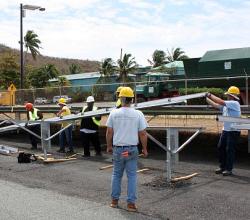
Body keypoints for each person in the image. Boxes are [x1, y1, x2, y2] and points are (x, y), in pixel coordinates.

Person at [106, 87, 148, 212]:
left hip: (118, 150)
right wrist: (144, 149)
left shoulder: (114, 113)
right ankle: (131, 204)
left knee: (116, 175)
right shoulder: (138, 114)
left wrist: (109, 146)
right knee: (132, 176)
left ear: (121, 99)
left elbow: (109, 131)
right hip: (131, 150)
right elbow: (143, 133)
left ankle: (114, 201)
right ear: (132, 99)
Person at [204, 86, 241, 176]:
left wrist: (209, 94)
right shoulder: (227, 104)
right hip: (226, 130)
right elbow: (216, 105)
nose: (227, 96)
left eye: (228, 94)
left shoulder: (235, 103)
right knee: (221, 147)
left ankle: (228, 169)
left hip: (233, 130)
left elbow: (219, 101)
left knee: (229, 149)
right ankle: (222, 167)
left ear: (232, 95)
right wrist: (205, 98)